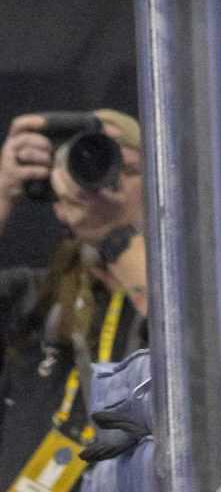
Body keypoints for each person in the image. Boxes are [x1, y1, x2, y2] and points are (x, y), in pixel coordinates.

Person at [0, 111, 148, 482]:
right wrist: (2, 192)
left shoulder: (196, 288)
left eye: (123, 167)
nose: (100, 183)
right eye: (80, 167)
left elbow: (190, 339)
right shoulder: (35, 298)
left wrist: (113, 235)